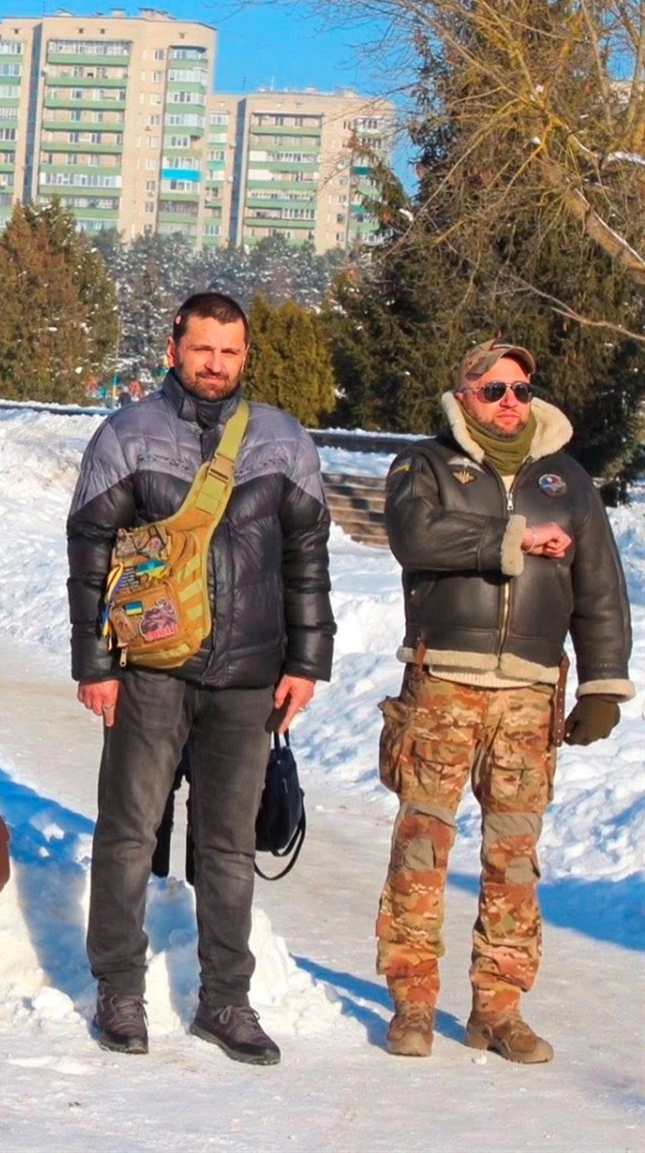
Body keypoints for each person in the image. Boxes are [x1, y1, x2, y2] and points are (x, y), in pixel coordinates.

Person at [65, 291, 334, 1066]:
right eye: (202, 348)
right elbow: (89, 548)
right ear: (174, 346)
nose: (215, 364)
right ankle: (119, 987)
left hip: (249, 677)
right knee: (128, 832)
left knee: (227, 845)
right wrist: (95, 663)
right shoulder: (129, 434)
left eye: (230, 351)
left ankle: (226, 1000)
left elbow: (307, 562)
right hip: (149, 672)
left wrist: (306, 662)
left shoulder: (283, 441)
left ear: (246, 356)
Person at [375, 340, 632, 1064]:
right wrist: (512, 539)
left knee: (514, 860)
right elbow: (413, 535)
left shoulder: (568, 480)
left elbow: (603, 588)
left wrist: (604, 684)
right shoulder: (422, 465)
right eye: (493, 390)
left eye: (520, 388)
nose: (510, 401)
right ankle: (413, 1002)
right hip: (444, 685)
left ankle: (499, 1007)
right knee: (422, 848)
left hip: (529, 694)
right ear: (463, 394)